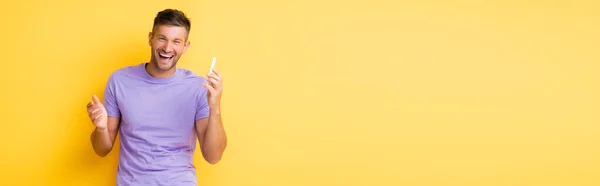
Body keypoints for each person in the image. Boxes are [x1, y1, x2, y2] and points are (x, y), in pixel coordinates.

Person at [85, 9, 227, 185]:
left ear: (186, 46)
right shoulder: (119, 81)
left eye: (176, 41)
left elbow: (213, 156)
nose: (167, 48)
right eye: (162, 38)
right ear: (150, 38)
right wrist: (100, 128)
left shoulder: (198, 88)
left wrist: (215, 108)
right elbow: (102, 149)